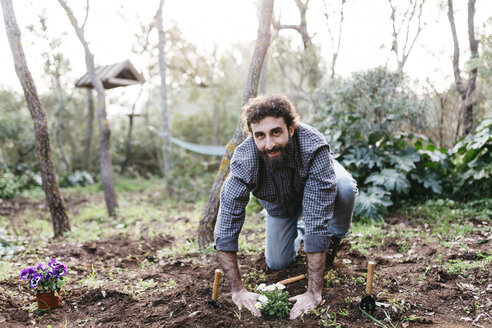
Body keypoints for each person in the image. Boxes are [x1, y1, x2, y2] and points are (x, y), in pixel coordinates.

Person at [214, 94, 358, 320]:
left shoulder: (313, 146)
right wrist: (238, 290)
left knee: (345, 188)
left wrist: (313, 293)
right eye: (260, 135)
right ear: (252, 135)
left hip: (318, 182)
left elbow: (316, 219)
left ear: (291, 129)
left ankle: (334, 239)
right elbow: (226, 223)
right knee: (277, 262)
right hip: (279, 202)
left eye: (276, 132)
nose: (269, 144)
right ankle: (300, 232)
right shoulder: (245, 158)